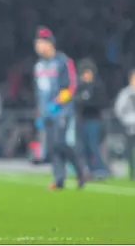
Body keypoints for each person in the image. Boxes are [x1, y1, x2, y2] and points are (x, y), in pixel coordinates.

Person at [33, 26, 86, 189]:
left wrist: (56, 103)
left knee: (60, 143)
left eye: (41, 42)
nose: (38, 46)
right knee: (51, 148)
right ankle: (59, 178)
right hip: (46, 112)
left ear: (50, 44)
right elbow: (38, 91)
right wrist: (40, 111)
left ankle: (81, 171)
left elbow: (71, 86)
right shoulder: (39, 66)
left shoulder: (63, 61)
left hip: (62, 111)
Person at [75, 58, 110, 179]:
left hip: (94, 120)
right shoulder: (80, 87)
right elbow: (76, 102)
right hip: (83, 120)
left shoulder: (97, 87)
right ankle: (90, 170)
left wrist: (85, 102)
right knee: (84, 147)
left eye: (87, 73)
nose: (85, 76)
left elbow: (101, 103)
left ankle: (101, 169)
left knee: (93, 146)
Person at [114, 68, 135, 180]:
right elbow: (118, 109)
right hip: (130, 127)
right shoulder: (125, 93)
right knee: (130, 150)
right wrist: (126, 120)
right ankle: (132, 172)